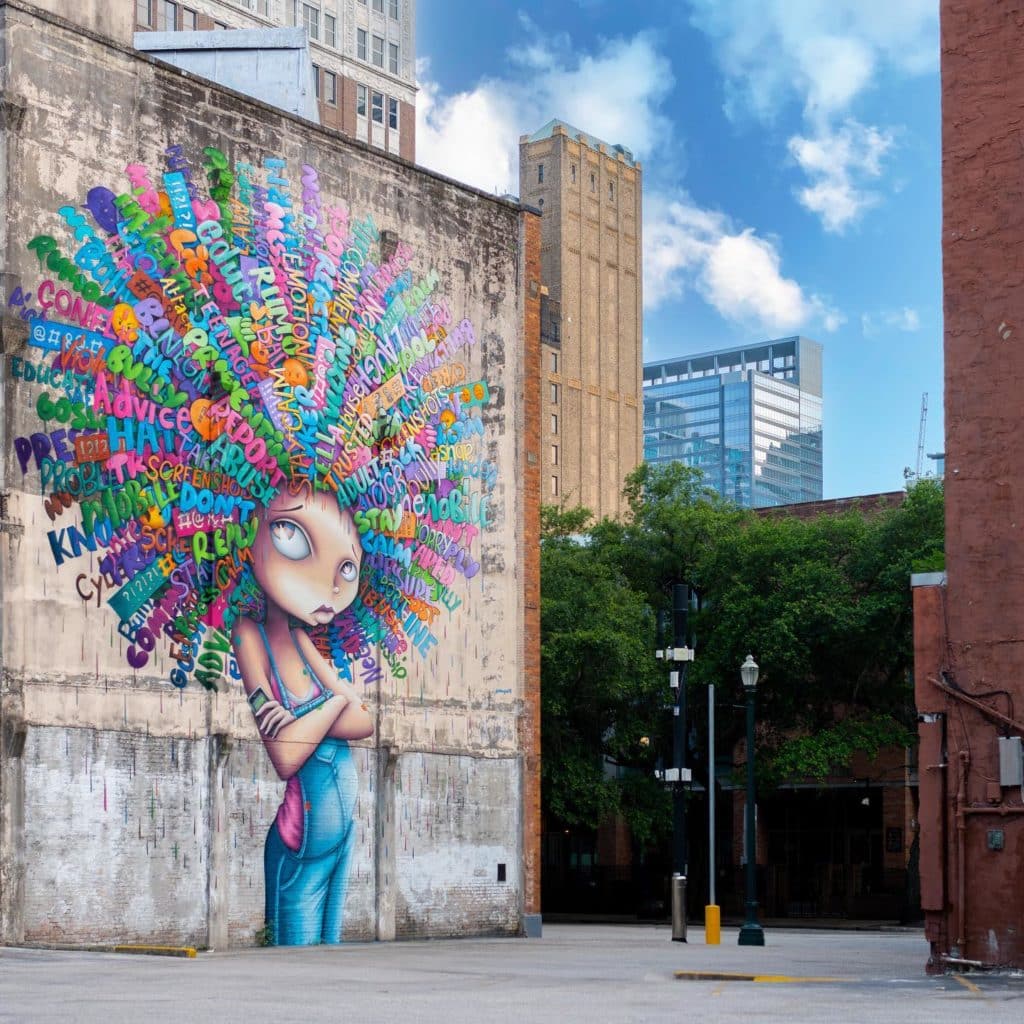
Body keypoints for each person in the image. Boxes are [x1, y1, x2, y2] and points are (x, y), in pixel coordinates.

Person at [233, 484, 374, 946]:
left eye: (346, 567)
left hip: (340, 841)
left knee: (326, 964)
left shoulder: (301, 641)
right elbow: (284, 755)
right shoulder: (250, 634)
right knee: (293, 964)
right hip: (300, 847)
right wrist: (334, 704)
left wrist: (312, 718)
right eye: (291, 536)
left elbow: (365, 720)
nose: (331, 587)